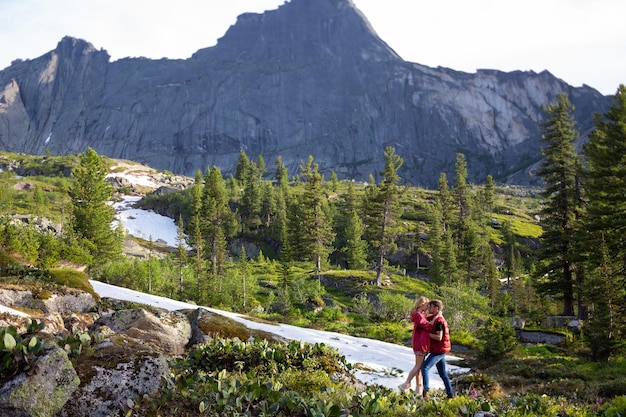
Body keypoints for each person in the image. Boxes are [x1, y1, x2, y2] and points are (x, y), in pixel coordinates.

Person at [398, 296, 434, 395]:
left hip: (421, 343)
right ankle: (407, 382)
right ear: (422, 305)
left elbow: (427, 318)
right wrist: (433, 323)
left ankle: (418, 388)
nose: (427, 307)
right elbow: (427, 326)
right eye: (426, 305)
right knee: (418, 365)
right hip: (420, 344)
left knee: (420, 367)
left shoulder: (421, 315)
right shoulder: (418, 315)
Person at [421, 299, 454, 399]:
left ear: (437, 308)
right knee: (443, 373)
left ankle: (425, 391)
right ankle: (450, 394)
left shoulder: (439, 321)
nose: (429, 308)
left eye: (430, 306)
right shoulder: (437, 318)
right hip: (441, 349)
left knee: (425, 368)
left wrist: (426, 334)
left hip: (439, 350)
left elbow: (439, 337)